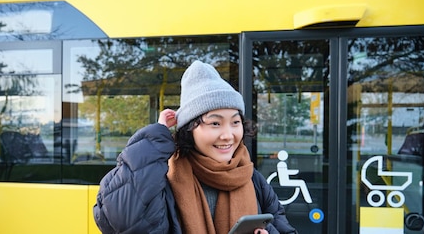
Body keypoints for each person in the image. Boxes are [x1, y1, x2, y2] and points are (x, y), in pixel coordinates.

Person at [93, 61, 297, 234]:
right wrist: (156, 138)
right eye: (215, 123)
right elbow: (123, 218)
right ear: (189, 129)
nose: (228, 135)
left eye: (235, 122)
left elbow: (282, 226)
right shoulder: (164, 177)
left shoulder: (251, 177)